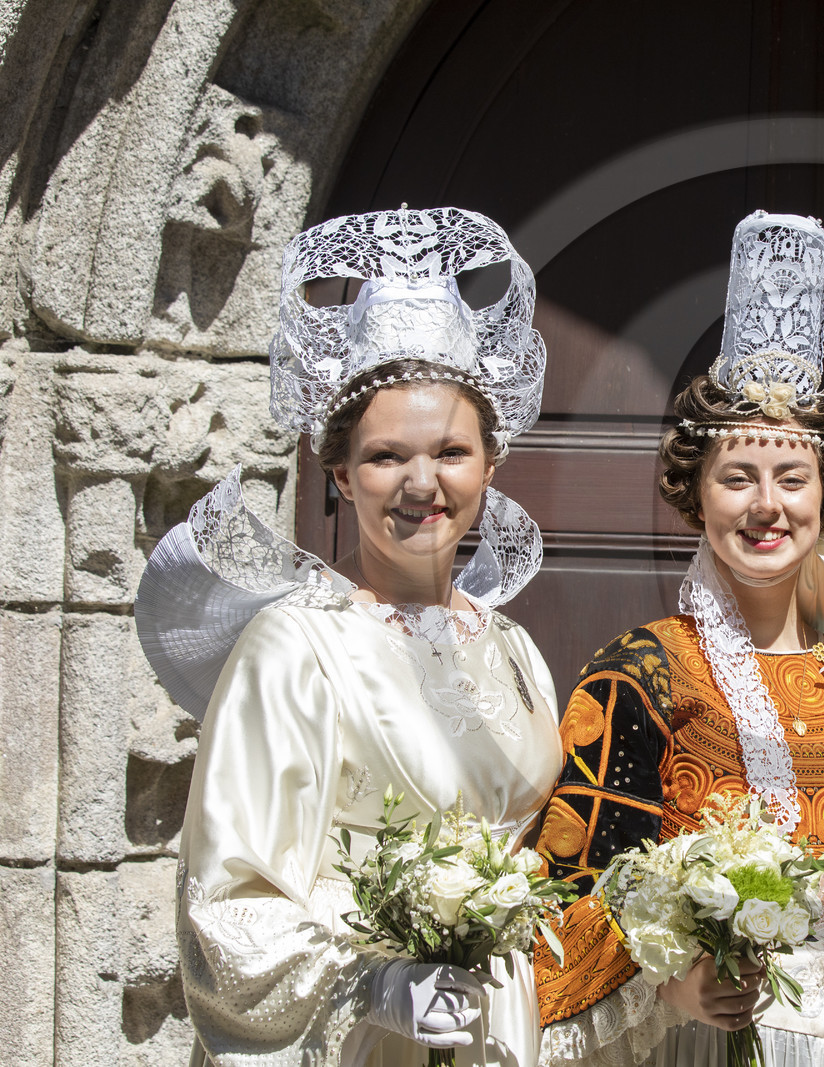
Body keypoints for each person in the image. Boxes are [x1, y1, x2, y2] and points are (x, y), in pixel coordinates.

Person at [532, 212, 824, 1067]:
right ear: (696, 495)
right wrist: (672, 982)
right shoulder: (642, 675)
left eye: (791, 477)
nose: (767, 505)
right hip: (704, 1038)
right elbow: (575, 889)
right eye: (737, 477)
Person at [136, 207, 562, 1066]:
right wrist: (372, 985)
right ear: (339, 474)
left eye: (450, 452)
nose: (421, 483)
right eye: (385, 456)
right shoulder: (293, 647)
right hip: (364, 1038)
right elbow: (229, 899)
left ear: (490, 464)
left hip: (500, 1023)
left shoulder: (514, 647)